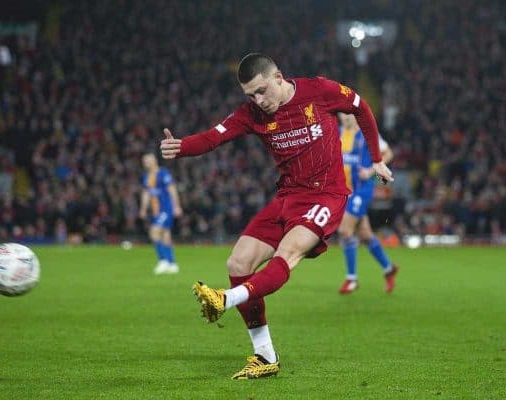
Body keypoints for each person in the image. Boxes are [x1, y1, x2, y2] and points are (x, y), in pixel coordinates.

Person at [160, 53, 393, 379]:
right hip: (287, 197)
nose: (258, 100)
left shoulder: (319, 91)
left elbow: (361, 107)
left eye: (261, 90)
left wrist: (377, 158)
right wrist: (181, 146)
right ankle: (265, 354)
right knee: (237, 263)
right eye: (250, 95)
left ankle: (225, 299)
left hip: (325, 195)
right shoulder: (251, 114)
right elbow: (215, 136)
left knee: (288, 253)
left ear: (279, 77)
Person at [337, 113, 399, 294]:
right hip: (345, 191)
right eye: (342, 115)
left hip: (361, 190)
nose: (346, 119)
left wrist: (371, 170)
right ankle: (389, 269)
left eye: (349, 115)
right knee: (365, 234)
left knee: (345, 231)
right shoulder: (339, 132)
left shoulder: (367, 132)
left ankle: (351, 279)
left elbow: (388, 153)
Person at [139, 153, 183, 274]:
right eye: (144, 161)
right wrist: (143, 208)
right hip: (155, 211)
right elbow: (146, 193)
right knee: (165, 236)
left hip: (166, 209)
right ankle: (172, 264)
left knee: (154, 232)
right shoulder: (146, 176)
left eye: (147, 160)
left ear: (154, 161)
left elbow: (172, 189)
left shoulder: (163, 173)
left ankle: (163, 260)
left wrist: (176, 206)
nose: (145, 163)